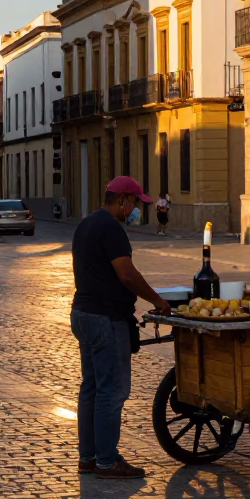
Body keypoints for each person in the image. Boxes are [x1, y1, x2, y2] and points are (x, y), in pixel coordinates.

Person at [70, 176, 171, 479]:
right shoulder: (111, 229)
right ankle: (106, 460)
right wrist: (157, 300)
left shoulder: (86, 224)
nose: (137, 209)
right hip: (105, 318)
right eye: (136, 203)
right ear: (123, 200)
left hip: (82, 313)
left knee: (91, 388)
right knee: (112, 391)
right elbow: (126, 274)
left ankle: (87, 458)